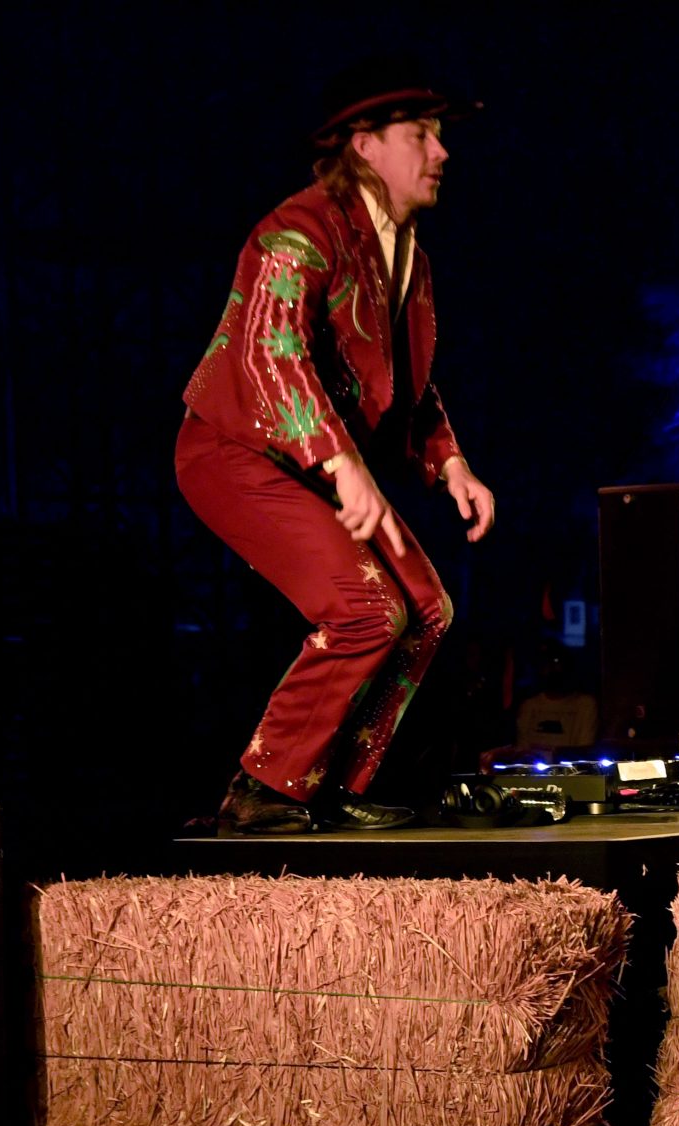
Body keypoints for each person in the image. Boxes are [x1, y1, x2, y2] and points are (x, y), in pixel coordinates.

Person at [178, 58, 496, 833]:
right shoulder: (298, 232)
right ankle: (262, 787)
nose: (441, 152)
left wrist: (450, 462)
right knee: (366, 608)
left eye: (439, 135)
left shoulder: (408, 256)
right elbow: (271, 355)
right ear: (364, 143)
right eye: (421, 134)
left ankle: (332, 782)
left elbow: (407, 383)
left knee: (427, 610)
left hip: (319, 464)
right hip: (236, 451)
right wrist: (343, 463)